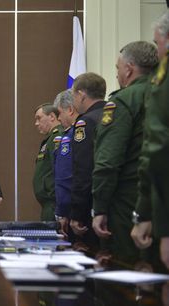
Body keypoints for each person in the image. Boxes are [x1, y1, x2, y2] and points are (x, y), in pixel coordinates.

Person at [91, 41, 158, 265]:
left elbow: (108, 161)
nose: (118, 74)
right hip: (160, 199)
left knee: (128, 271)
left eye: (118, 68)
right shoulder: (161, 93)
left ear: (128, 69)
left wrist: (99, 207)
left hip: (128, 204)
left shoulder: (123, 101)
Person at [131, 10, 169, 271]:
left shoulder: (161, 81)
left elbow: (158, 150)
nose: (158, 53)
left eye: (158, 43)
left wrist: (145, 213)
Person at [69, 72, 107, 252]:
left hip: (91, 205)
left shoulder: (86, 122)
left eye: (73, 95)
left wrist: (76, 213)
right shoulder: (115, 114)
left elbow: (83, 169)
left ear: (81, 94)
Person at [53, 89, 79, 237]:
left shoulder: (73, 135)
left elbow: (65, 177)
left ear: (69, 110)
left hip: (73, 210)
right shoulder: (67, 134)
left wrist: (62, 212)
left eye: (59, 113)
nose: (58, 119)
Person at [32, 104, 63, 221]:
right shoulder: (49, 139)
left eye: (39, 118)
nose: (36, 123)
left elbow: (60, 170)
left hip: (54, 204)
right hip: (48, 204)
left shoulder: (57, 137)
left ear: (51, 117)